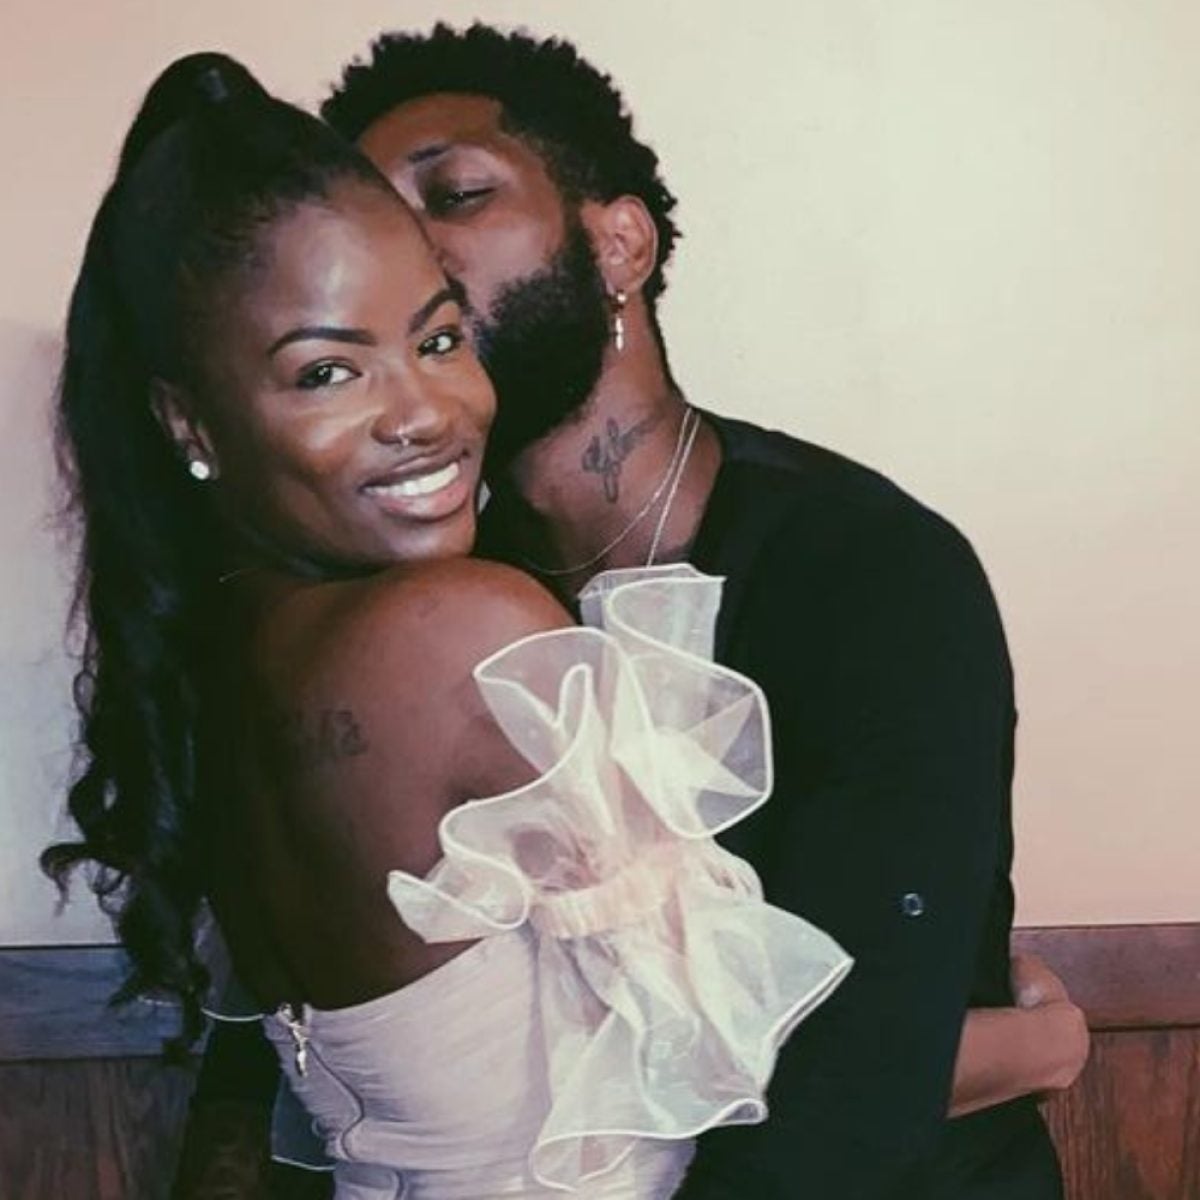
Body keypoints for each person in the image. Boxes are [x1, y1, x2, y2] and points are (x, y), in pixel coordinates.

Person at [176, 25, 1089, 1200]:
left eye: (454, 195)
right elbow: (295, 1037)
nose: (415, 256)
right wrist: (1034, 1047)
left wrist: (1021, 1050)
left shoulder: (864, 568)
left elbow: (848, 1093)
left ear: (619, 244)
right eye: (382, 229)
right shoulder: (411, 617)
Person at [46, 51, 862, 1200]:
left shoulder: (222, 664)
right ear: (191, 423)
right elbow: (738, 1052)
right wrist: (1031, 1043)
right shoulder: (460, 634)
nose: (425, 413)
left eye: (436, 342)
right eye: (328, 372)